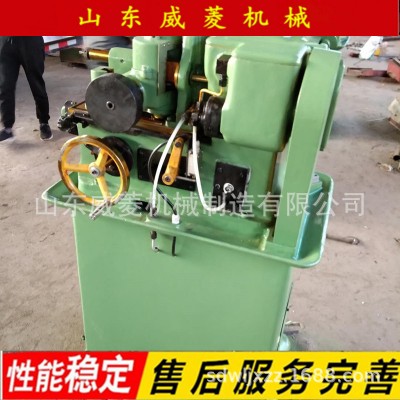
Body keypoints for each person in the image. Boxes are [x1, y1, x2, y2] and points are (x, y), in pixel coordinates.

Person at [0, 36, 52, 142]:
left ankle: (44, 123)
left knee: (36, 84)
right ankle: (7, 128)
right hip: (5, 41)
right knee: (5, 86)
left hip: (30, 41)